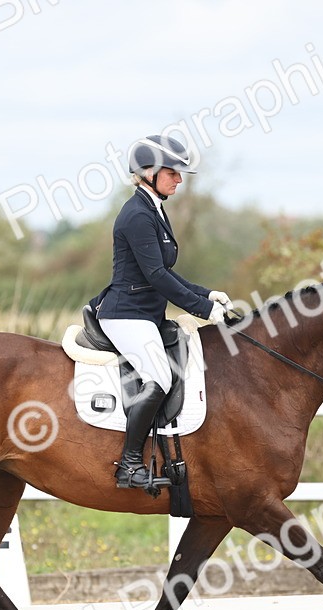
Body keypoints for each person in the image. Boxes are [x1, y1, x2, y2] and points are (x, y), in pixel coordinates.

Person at [89, 135, 234, 490]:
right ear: (148, 173)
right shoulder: (137, 214)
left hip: (145, 314)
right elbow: (155, 276)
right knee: (160, 375)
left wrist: (207, 293)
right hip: (126, 314)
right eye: (172, 172)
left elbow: (164, 272)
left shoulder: (154, 208)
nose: (179, 179)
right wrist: (203, 310)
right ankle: (129, 464)